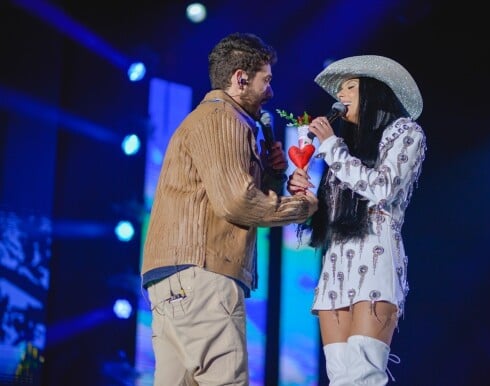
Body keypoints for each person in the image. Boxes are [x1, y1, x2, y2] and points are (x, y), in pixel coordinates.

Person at [141, 32, 318, 386]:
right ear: (240, 78)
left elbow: (226, 196)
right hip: (203, 273)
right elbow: (237, 202)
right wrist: (301, 207)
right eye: (265, 80)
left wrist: (270, 172)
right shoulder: (224, 118)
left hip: (174, 279)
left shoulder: (209, 120)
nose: (271, 92)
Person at [287, 55, 426, 385]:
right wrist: (302, 194)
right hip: (336, 265)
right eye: (340, 89)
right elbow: (329, 214)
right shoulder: (345, 148)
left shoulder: (405, 133)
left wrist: (332, 147)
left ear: (376, 91)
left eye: (350, 86)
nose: (341, 95)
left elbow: (382, 188)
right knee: (339, 377)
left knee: (364, 373)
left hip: (375, 258)